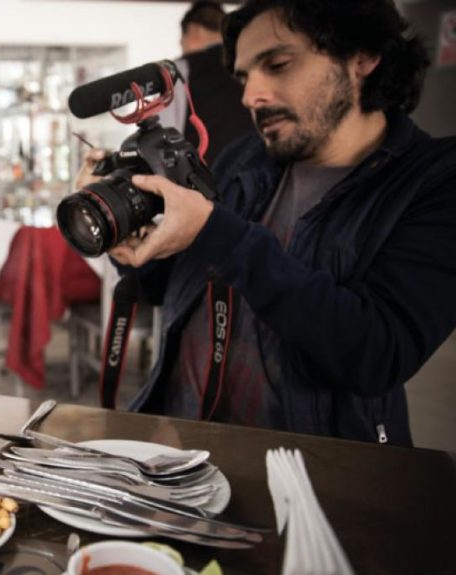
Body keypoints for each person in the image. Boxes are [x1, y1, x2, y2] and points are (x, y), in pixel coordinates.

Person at [80, 0, 456, 445]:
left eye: (277, 64)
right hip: (183, 457)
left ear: (362, 57)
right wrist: (130, 242)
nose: (249, 95)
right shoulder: (247, 156)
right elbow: (167, 288)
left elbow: (378, 354)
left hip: (316, 480)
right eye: (243, 77)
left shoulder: (433, 180)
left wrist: (217, 234)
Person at [159, 1, 254, 165]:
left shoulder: (179, 71)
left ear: (194, 31)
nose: (181, 47)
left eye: (182, 40)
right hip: (257, 178)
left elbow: (163, 138)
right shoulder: (252, 65)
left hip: (201, 183)